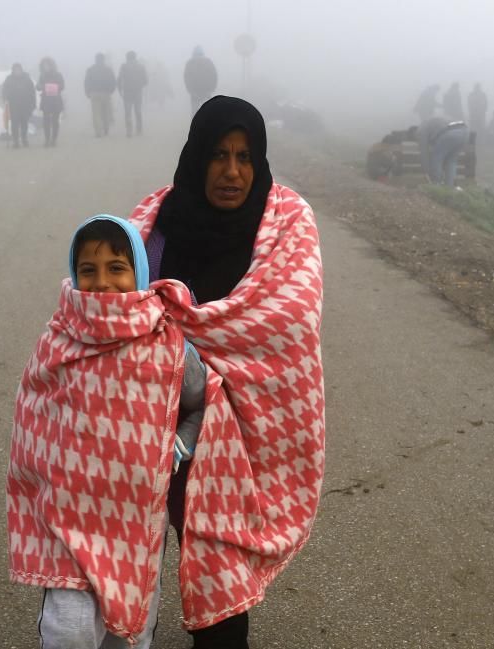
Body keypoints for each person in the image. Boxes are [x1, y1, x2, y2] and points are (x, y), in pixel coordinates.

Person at [128, 95, 325, 648]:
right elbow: (119, 307)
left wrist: (195, 348)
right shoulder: (155, 224)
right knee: (148, 543)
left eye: (244, 156)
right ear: (196, 158)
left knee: (218, 557)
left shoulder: (286, 222)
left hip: (244, 430)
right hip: (156, 420)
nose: (232, 171)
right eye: (218, 155)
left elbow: (290, 320)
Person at [8, 214, 207, 649]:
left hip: (137, 523)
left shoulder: (169, 346)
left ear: (139, 271)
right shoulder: (58, 341)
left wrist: (179, 445)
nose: (101, 282)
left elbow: (202, 403)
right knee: (69, 631)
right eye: (88, 270)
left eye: (116, 268)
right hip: (69, 519)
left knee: (129, 633)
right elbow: (35, 420)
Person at [418, 116, 471, 186]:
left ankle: (437, 184)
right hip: (465, 132)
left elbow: (423, 152)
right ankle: (449, 186)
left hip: (449, 133)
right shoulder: (431, 122)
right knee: (451, 161)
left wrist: (426, 170)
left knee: (437, 159)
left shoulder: (421, 130)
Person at [2, 63, 36, 148]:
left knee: (24, 123)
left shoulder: (27, 78)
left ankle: (24, 139)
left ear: (21, 70)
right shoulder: (9, 79)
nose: (17, 71)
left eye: (18, 69)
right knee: (14, 124)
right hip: (14, 105)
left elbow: (32, 92)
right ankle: (16, 141)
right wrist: (5, 98)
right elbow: (4, 90)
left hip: (25, 105)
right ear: (13, 70)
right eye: (15, 69)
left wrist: (33, 104)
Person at [85, 53, 117, 137]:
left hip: (94, 93)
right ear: (103, 60)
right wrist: (111, 91)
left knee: (96, 114)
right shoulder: (108, 70)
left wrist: (87, 92)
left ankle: (98, 132)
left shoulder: (90, 69)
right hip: (106, 93)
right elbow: (113, 81)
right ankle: (106, 128)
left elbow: (87, 82)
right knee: (105, 112)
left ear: (95, 60)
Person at [117, 51, 149, 137]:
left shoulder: (124, 66)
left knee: (128, 112)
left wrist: (120, 90)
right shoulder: (141, 67)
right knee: (138, 111)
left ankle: (129, 131)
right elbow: (146, 81)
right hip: (138, 92)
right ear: (135, 57)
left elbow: (119, 79)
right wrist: (139, 85)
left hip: (127, 92)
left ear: (127, 57)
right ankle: (139, 130)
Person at [36, 57, 65, 147]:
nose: (46, 67)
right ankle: (47, 139)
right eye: (44, 65)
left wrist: (52, 87)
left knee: (55, 121)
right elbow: (38, 87)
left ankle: (54, 139)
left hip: (56, 100)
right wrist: (39, 86)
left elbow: (62, 86)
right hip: (46, 101)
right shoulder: (42, 76)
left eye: (47, 65)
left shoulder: (58, 75)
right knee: (46, 121)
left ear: (52, 65)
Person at [183, 46, 217, 116]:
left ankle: (195, 126)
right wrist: (211, 89)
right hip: (205, 91)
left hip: (197, 92)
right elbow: (214, 76)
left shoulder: (190, 63)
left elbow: (187, 79)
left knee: (195, 113)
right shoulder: (208, 62)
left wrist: (191, 91)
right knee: (209, 111)